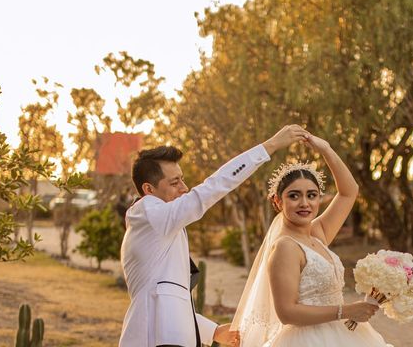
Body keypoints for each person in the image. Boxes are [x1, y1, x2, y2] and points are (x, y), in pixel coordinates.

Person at [118, 125, 309, 347]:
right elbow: (211, 189)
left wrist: (214, 331)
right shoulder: (146, 210)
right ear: (149, 190)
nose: (185, 187)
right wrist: (269, 146)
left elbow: (168, 297)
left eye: (182, 178)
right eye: (174, 182)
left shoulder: (164, 229)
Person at [232, 134, 392, 346]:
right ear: (278, 201)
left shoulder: (318, 233)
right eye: (294, 196)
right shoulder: (285, 247)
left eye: (312, 195)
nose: (304, 203)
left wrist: (326, 148)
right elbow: (287, 313)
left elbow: (349, 192)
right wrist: (346, 311)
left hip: (343, 334)